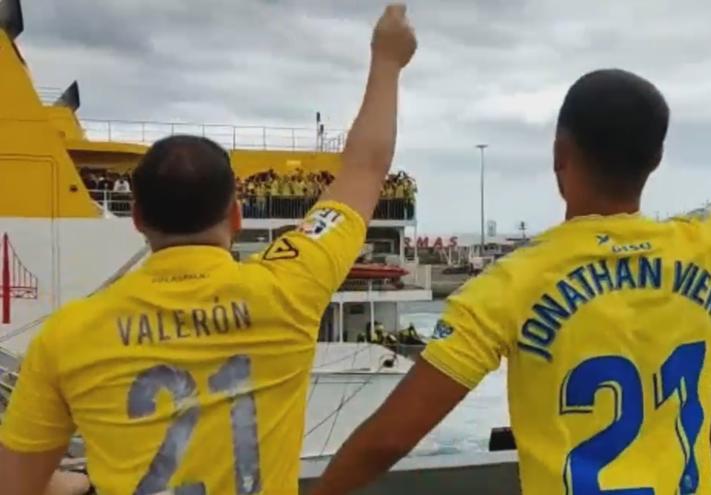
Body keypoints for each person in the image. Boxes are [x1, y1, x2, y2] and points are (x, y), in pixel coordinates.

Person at [307, 73, 711, 495]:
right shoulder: (710, 245)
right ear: (656, 160)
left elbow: (389, 438)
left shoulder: (511, 282)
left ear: (560, 153)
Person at [0, 4, 416, 494]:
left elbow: (15, 486)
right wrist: (386, 60)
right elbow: (365, 168)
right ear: (236, 216)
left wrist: (79, 485)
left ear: (137, 220)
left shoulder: (65, 338)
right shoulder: (289, 288)